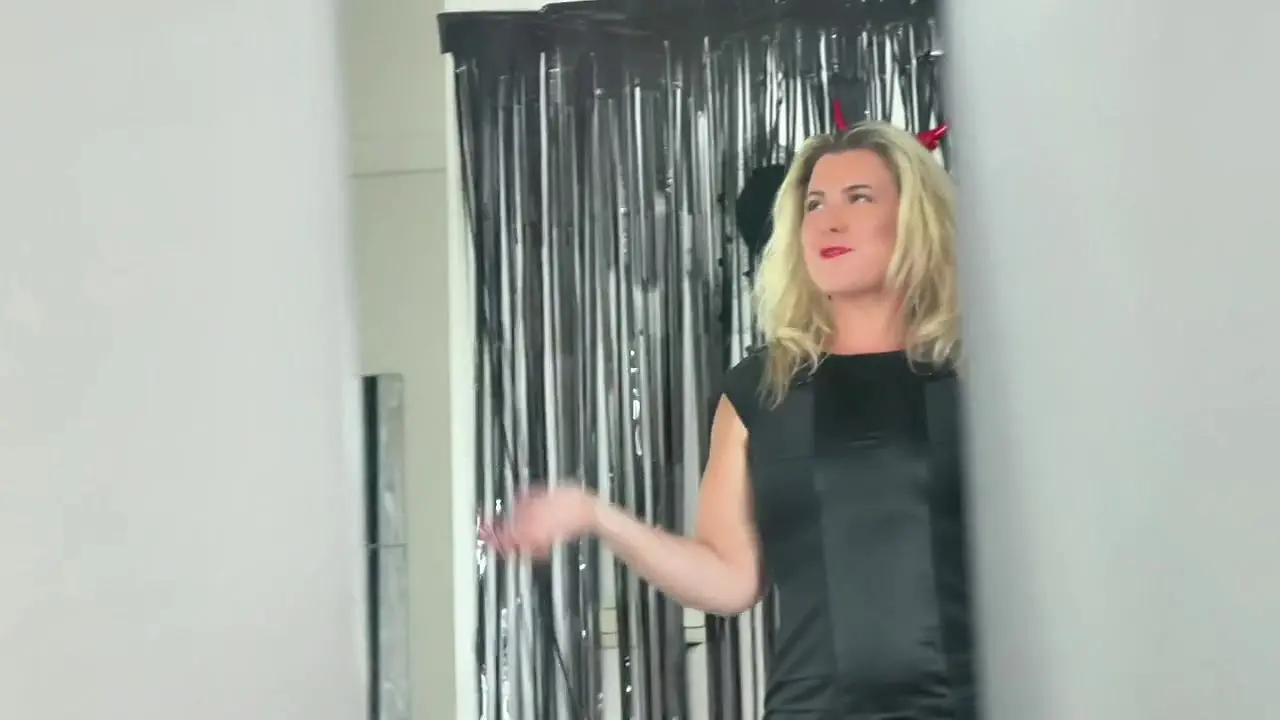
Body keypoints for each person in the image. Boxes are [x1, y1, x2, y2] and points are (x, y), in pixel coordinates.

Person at [482, 121, 974, 719]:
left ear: (915, 219)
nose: (829, 222)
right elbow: (731, 580)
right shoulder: (761, 389)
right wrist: (596, 516)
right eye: (814, 204)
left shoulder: (977, 380)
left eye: (859, 197)